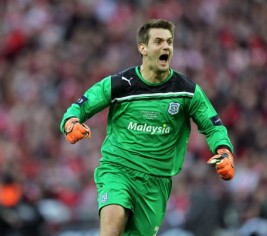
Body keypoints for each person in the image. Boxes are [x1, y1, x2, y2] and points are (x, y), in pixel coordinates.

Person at [60, 18, 235, 236]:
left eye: (169, 42)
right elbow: (79, 107)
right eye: (159, 41)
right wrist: (71, 124)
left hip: (156, 182)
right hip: (118, 169)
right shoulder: (119, 84)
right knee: (111, 227)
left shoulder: (187, 91)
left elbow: (213, 126)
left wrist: (225, 151)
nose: (166, 47)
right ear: (143, 48)